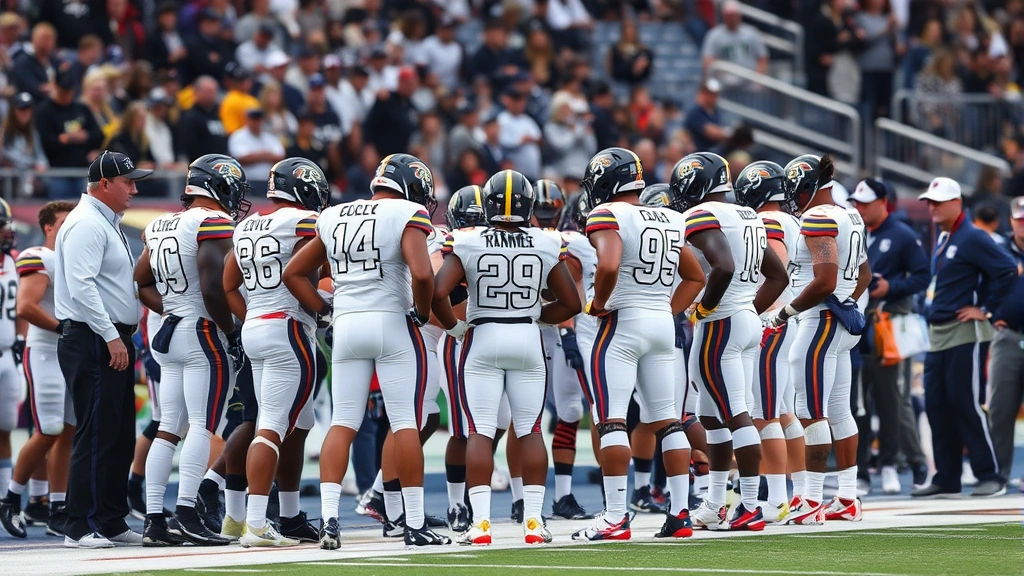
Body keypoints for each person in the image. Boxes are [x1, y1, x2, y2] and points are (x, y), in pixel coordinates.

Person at [282, 152, 450, 547]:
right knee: (405, 421)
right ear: (411, 187)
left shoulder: (334, 214)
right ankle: (411, 523)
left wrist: (325, 310)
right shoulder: (407, 212)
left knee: (343, 422)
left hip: (348, 323)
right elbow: (423, 272)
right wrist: (421, 313)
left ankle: (328, 521)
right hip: (391, 320)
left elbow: (293, 272)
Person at [430, 170, 579, 545]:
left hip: (483, 336)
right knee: (529, 430)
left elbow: (436, 293)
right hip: (527, 338)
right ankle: (532, 521)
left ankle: (480, 525)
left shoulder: (467, 239)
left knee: (480, 430)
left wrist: (454, 328)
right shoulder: (547, 242)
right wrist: (536, 316)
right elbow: (572, 302)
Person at [571, 148, 705, 541]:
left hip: (622, 323)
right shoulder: (671, 217)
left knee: (611, 418)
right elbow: (694, 277)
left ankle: (615, 516)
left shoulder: (607, 214)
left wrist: (598, 304)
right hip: (661, 324)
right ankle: (679, 514)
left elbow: (609, 265)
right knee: (669, 421)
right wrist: (668, 311)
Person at [134, 153, 248, 547]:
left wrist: (174, 307)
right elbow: (215, 287)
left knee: (169, 428)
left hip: (171, 333)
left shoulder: (161, 223)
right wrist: (231, 330)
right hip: (202, 332)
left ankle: (153, 519)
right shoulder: (212, 221)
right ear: (219, 184)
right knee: (202, 425)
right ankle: (186, 512)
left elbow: (141, 282)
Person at [671, 153, 789, 532]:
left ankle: (751, 504)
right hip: (743, 320)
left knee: (737, 413)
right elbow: (778, 277)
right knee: (711, 414)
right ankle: (715, 503)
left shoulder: (705, 214)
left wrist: (706, 307)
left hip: (722, 323)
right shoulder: (749, 215)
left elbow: (722, 265)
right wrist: (748, 309)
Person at [223, 158, 329, 546]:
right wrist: (323, 309)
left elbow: (228, 284)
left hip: (258, 326)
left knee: (298, 425)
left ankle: (288, 515)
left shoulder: (247, 225)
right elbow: (299, 273)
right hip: (288, 328)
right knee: (271, 426)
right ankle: (255, 523)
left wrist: (253, 316)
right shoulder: (303, 222)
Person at [54, 151, 151, 548]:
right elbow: (82, 287)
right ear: (105, 185)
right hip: (94, 337)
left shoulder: (102, 221)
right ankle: (80, 524)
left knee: (116, 432)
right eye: (128, 182)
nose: (134, 188)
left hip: (107, 336)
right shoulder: (86, 224)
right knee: (95, 432)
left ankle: (110, 519)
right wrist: (112, 335)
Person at [768, 154, 870, 524]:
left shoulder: (819, 216)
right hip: (838, 322)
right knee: (839, 410)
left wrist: (785, 312)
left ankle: (811, 500)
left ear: (810, 186)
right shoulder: (850, 214)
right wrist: (847, 303)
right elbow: (864, 275)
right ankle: (846, 496)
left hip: (819, 321)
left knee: (811, 411)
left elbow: (824, 280)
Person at [912, 177, 1016, 499]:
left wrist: (984, 308)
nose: (931, 207)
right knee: (938, 404)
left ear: (957, 203)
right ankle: (947, 477)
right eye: (929, 202)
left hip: (964, 333)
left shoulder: (972, 236)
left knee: (966, 402)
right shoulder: (946, 235)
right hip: (938, 333)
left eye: (938, 202)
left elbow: (1008, 270)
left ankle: (990, 475)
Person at [733, 161, 807, 521]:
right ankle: (802, 493)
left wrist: (756, 311)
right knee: (783, 410)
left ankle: (777, 498)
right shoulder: (791, 219)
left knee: (765, 414)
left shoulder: (771, 222)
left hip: (771, 319)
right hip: (786, 319)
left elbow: (773, 269)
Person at [848, 178, 930, 494]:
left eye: (866, 203)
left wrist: (891, 288)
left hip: (887, 323)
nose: (860, 208)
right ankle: (862, 469)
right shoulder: (854, 232)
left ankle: (890, 465)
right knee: (857, 400)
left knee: (890, 399)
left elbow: (923, 275)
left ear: (884, 202)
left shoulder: (902, 235)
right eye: (857, 202)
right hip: (856, 323)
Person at [0, 201, 76, 539]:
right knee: (49, 429)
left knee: (68, 432)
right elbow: (27, 306)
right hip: (45, 350)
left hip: (70, 355)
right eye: (63, 222)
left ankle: (56, 507)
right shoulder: (39, 255)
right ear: (47, 227)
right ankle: (11, 499)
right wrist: (65, 329)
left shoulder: (76, 257)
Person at [989, 197, 1024, 489]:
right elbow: (979, 284)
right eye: (1019, 219)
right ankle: (998, 474)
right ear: (1011, 221)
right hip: (1008, 334)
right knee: (1001, 407)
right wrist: (989, 313)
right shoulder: (998, 251)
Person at [35, 70, 105, 199]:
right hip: (56, 173)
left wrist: (85, 137)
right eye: (64, 90)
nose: (67, 94)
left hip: (82, 172)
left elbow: (99, 135)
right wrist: (68, 138)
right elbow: (46, 142)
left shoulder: (81, 109)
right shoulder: (44, 111)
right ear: (56, 87)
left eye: (70, 90)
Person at [701, 1, 768, 79]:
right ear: (724, 16)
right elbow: (708, 60)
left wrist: (757, 78)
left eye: (734, 15)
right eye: (729, 16)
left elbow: (763, 58)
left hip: (749, 80)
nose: (732, 19)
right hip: (724, 82)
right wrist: (719, 77)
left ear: (739, 16)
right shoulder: (714, 35)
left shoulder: (751, 33)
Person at [228, 108, 286, 195]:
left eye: (259, 120)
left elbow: (280, 157)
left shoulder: (269, 137)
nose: (256, 123)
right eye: (253, 119)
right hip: (247, 182)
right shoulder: (238, 136)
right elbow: (242, 158)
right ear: (247, 120)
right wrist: (266, 155)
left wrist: (257, 156)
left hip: (267, 183)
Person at [178, 76, 229, 161]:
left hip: (220, 165)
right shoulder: (190, 117)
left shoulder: (216, 114)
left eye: (214, 91)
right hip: (202, 167)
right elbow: (190, 147)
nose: (212, 95)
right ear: (196, 92)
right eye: (208, 91)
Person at [684, 79, 731, 153]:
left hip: (714, 151)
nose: (712, 97)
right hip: (700, 152)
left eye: (714, 94)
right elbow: (711, 133)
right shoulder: (696, 111)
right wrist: (727, 133)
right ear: (702, 93)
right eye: (708, 93)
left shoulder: (715, 111)